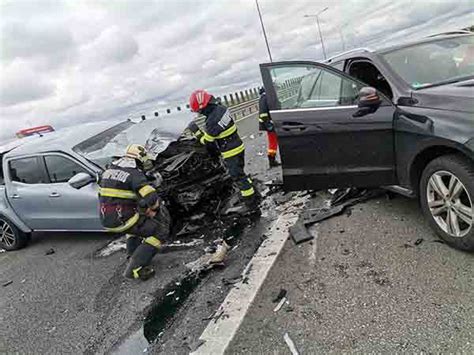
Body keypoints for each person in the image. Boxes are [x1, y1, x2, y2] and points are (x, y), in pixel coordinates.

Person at [98, 144, 170, 280]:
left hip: (107, 219)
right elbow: (151, 197)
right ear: (139, 159)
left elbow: (121, 195)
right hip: (123, 219)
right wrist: (153, 210)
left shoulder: (108, 171)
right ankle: (135, 269)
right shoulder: (134, 175)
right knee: (160, 231)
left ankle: (133, 255)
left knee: (135, 228)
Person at [188, 89, 259, 214]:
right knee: (241, 174)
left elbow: (208, 142)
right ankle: (255, 195)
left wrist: (197, 132)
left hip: (230, 151)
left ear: (203, 106)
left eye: (199, 111)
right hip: (237, 145)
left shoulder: (211, 121)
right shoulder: (221, 108)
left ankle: (251, 204)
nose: (199, 113)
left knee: (238, 177)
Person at [258, 87, 280, 168]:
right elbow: (263, 113)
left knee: (273, 142)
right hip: (269, 125)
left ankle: (272, 160)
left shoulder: (264, 98)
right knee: (273, 143)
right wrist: (269, 125)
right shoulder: (264, 98)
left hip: (269, 124)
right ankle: (272, 160)